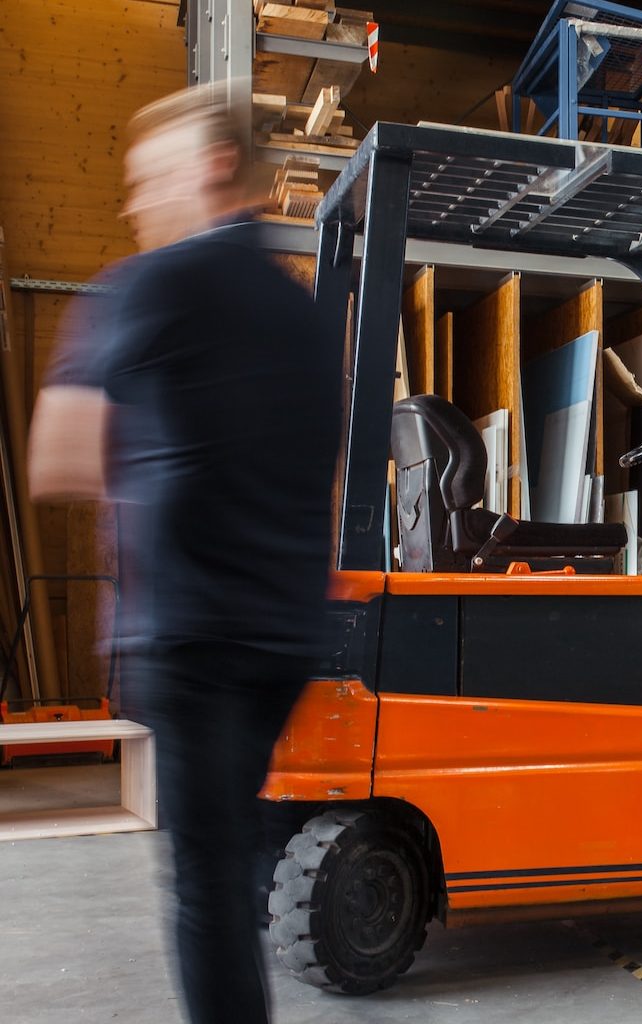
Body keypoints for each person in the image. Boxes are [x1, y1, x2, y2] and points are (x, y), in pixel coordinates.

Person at [28, 83, 342, 1024]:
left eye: (145, 179)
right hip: (283, 636)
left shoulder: (152, 284)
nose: (133, 203)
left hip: (192, 636)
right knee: (230, 862)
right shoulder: (308, 320)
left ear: (210, 166)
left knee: (205, 889)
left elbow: (59, 458)